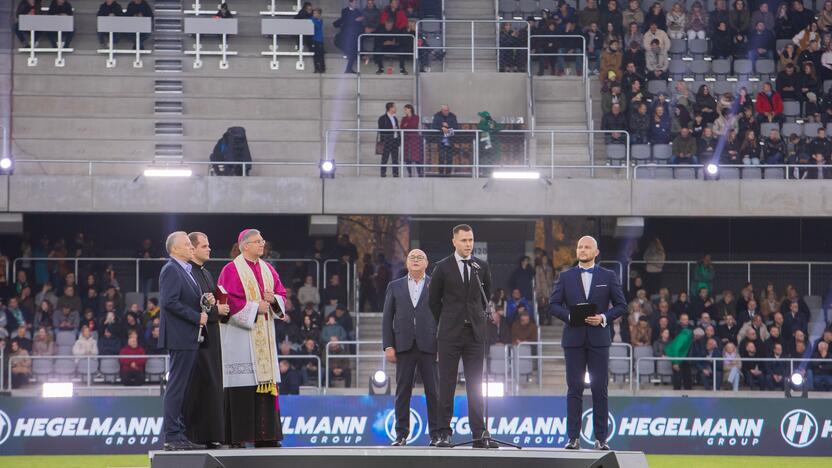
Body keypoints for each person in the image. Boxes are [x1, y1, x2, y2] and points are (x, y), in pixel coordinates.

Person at [549, 236, 627, 450]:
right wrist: (571, 317)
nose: (582, 250)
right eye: (580, 246)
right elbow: (553, 305)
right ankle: (573, 438)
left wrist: (603, 318)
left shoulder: (608, 276)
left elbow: (621, 306)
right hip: (573, 340)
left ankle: (601, 439)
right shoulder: (565, 276)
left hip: (599, 340)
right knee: (574, 389)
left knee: (599, 389)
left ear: (596, 251)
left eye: (587, 247)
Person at [217, 229, 288, 448]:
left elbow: (281, 295)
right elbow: (225, 301)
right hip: (241, 339)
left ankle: (265, 436)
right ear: (244, 246)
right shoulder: (230, 270)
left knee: (265, 389)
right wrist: (257, 307)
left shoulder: (268, 269)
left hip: (264, 340)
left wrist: (274, 300)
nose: (262, 244)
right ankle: (237, 437)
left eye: (263, 241)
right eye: (257, 241)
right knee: (242, 389)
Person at [428, 224, 494, 448]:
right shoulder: (442, 267)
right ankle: (443, 433)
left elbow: (487, 295)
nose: (468, 244)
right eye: (464, 240)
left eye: (471, 240)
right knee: (447, 384)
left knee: (476, 386)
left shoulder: (481, 267)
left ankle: (479, 434)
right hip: (449, 334)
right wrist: (446, 322)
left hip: (475, 334)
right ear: (454, 242)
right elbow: (433, 302)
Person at [382, 249, 440, 446]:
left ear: (427, 263)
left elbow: (443, 317)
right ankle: (401, 434)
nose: (416, 260)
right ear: (407, 263)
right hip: (403, 346)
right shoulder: (394, 286)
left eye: (420, 257)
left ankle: (437, 434)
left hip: (430, 346)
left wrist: (442, 345)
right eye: (412, 257)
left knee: (434, 392)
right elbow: (387, 318)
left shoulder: (436, 285)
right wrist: (388, 345)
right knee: (402, 391)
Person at [159, 231, 207, 451]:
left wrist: (204, 301)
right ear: (175, 249)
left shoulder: (184, 271)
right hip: (180, 336)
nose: (191, 247)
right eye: (187, 244)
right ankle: (172, 435)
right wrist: (197, 316)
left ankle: (178, 433)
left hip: (187, 336)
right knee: (177, 387)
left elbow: (183, 299)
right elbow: (169, 302)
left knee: (181, 387)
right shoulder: (171, 269)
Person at [183, 232, 229, 449]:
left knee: (212, 385)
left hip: (212, 336)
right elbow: (192, 306)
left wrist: (221, 307)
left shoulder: (207, 274)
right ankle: (195, 435)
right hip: (197, 339)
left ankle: (211, 434)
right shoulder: (188, 274)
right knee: (198, 386)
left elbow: (211, 301)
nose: (209, 249)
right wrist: (215, 310)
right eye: (204, 246)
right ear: (192, 249)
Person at [334, 0, 364, 73]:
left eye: (356, 3)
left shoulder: (358, 11)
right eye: (353, 2)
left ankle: (348, 69)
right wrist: (355, 20)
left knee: (353, 52)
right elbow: (346, 20)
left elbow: (360, 23)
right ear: (350, 3)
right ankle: (348, 69)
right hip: (345, 35)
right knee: (351, 51)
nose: (355, 4)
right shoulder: (344, 11)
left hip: (354, 35)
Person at [432, 105, 459, 177]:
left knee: (449, 157)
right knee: (441, 156)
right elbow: (434, 126)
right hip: (441, 139)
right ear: (442, 110)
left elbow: (456, 127)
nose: (446, 112)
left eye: (447, 110)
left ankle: (448, 173)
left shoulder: (452, 116)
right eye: (445, 110)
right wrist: (442, 128)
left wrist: (448, 127)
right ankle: (441, 172)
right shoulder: (437, 116)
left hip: (450, 139)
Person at [376, 102, 401, 178]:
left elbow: (398, 129)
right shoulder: (382, 118)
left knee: (395, 158)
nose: (396, 108)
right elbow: (381, 129)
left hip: (395, 140)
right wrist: (391, 129)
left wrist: (399, 138)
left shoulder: (394, 118)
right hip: (387, 140)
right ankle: (383, 173)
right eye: (394, 107)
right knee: (385, 157)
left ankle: (395, 173)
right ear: (390, 108)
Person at [400, 104, 423, 177]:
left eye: (406, 109)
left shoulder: (416, 117)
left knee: (416, 157)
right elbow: (401, 127)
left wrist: (406, 125)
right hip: (406, 139)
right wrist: (406, 126)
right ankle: (409, 173)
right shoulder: (404, 118)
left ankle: (419, 172)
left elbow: (414, 125)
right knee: (407, 157)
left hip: (414, 139)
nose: (405, 111)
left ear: (410, 109)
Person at [311, 8, 326, 73]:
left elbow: (318, 26)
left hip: (319, 40)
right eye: (313, 13)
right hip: (314, 39)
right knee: (316, 55)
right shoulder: (311, 19)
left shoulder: (319, 20)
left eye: (315, 13)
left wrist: (316, 19)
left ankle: (322, 68)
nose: (314, 15)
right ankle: (316, 68)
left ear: (319, 14)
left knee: (321, 55)